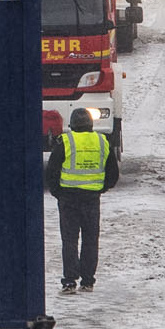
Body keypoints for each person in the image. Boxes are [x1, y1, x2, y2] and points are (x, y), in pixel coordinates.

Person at [43, 107, 110, 294]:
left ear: (71, 125)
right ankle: (88, 281)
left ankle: (69, 281)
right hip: (91, 199)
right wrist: (99, 188)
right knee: (90, 240)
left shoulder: (66, 141)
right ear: (91, 124)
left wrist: (59, 193)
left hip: (68, 200)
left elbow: (52, 172)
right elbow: (112, 173)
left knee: (70, 240)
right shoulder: (101, 141)